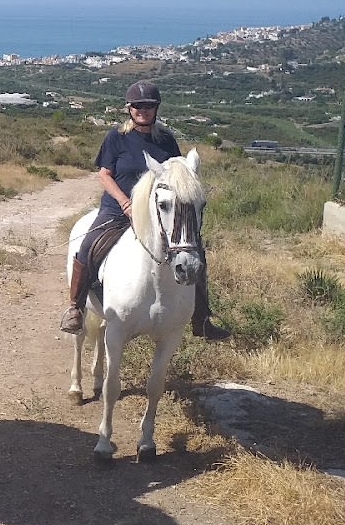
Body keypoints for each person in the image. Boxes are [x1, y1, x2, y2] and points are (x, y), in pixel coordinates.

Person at [60, 80, 230, 341]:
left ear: (156, 108)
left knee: (195, 252)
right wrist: (124, 202)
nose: (143, 110)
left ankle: (202, 318)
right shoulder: (116, 137)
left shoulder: (166, 140)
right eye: (137, 105)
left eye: (148, 106)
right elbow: (104, 175)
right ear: (129, 109)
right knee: (87, 246)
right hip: (118, 210)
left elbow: (177, 175)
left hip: (159, 214)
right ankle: (76, 308)